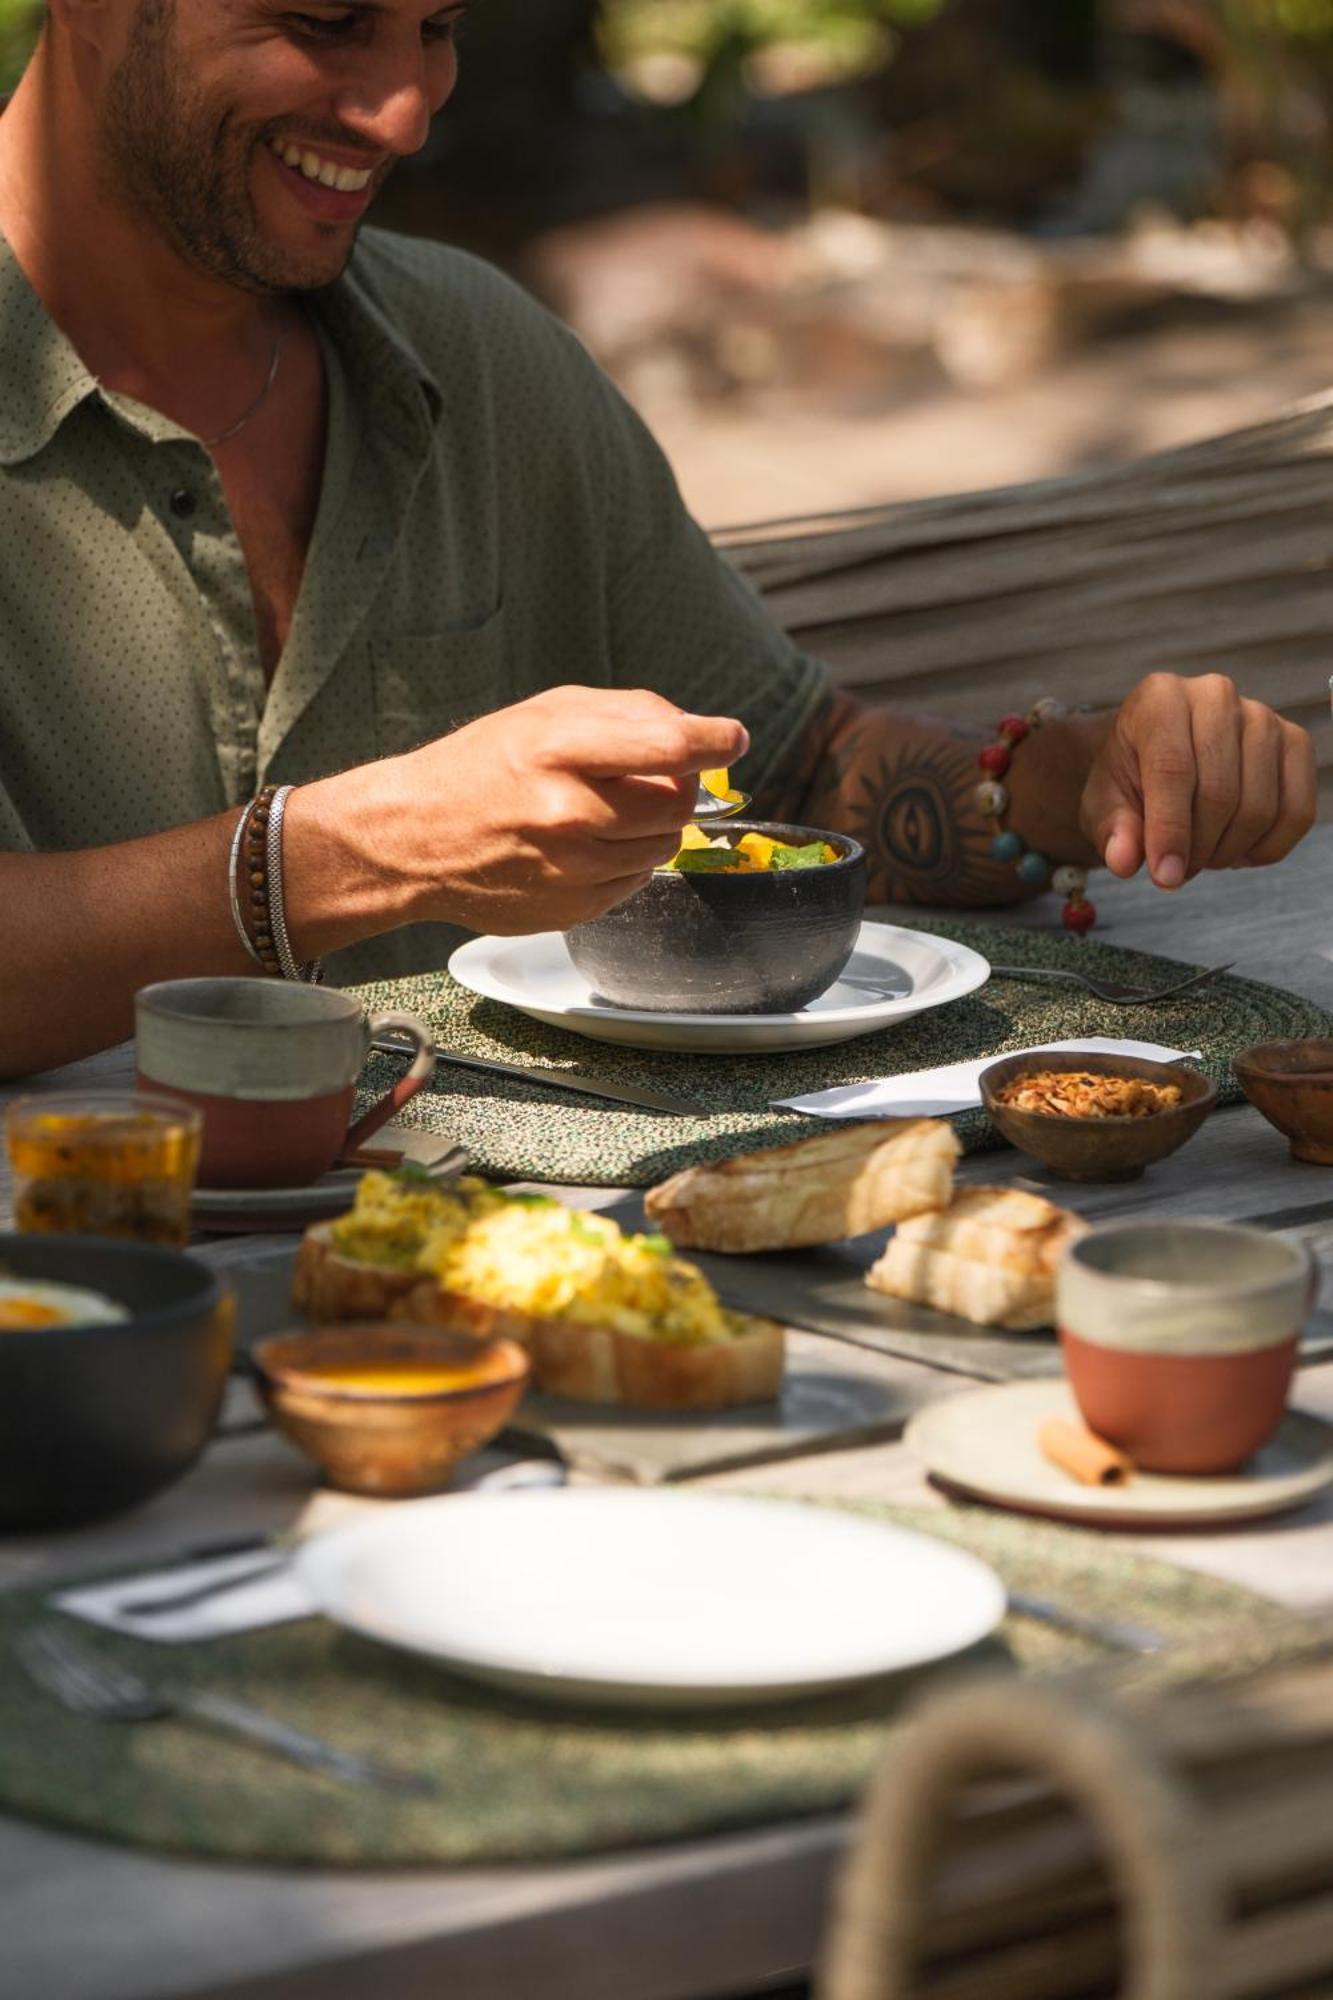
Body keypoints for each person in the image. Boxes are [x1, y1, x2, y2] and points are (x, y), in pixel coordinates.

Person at [0, 0, 1316, 1079]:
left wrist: (1072, 785)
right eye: (328, 22)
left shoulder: (480, 353)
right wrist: (338, 857)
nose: (403, 109)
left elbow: (805, 778)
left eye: (438, 27)